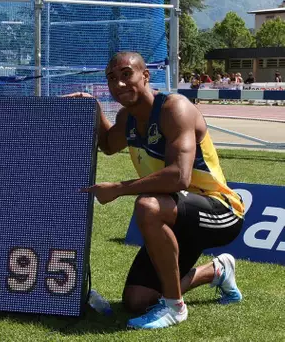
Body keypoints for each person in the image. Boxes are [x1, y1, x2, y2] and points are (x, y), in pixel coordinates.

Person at [65, 52, 245, 329]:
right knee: (137, 301)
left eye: (127, 74)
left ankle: (175, 307)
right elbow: (109, 145)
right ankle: (217, 270)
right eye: (112, 78)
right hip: (176, 214)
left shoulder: (174, 108)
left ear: (146, 76)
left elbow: (179, 177)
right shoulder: (127, 118)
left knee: (147, 206)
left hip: (220, 210)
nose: (120, 84)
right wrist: (94, 107)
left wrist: (119, 189)